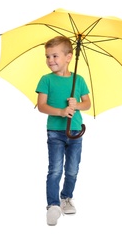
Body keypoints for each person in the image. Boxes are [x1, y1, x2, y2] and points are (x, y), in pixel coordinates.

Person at [35, 36, 91, 226]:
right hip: (55, 132)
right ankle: (52, 206)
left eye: (55, 56)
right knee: (55, 169)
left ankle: (66, 198)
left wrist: (77, 105)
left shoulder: (79, 80)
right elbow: (41, 106)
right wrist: (60, 111)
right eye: (48, 56)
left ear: (69, 57)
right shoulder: (46, 80)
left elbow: (87, 104)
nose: (50, 60)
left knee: (72, 170)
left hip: (75, 131)